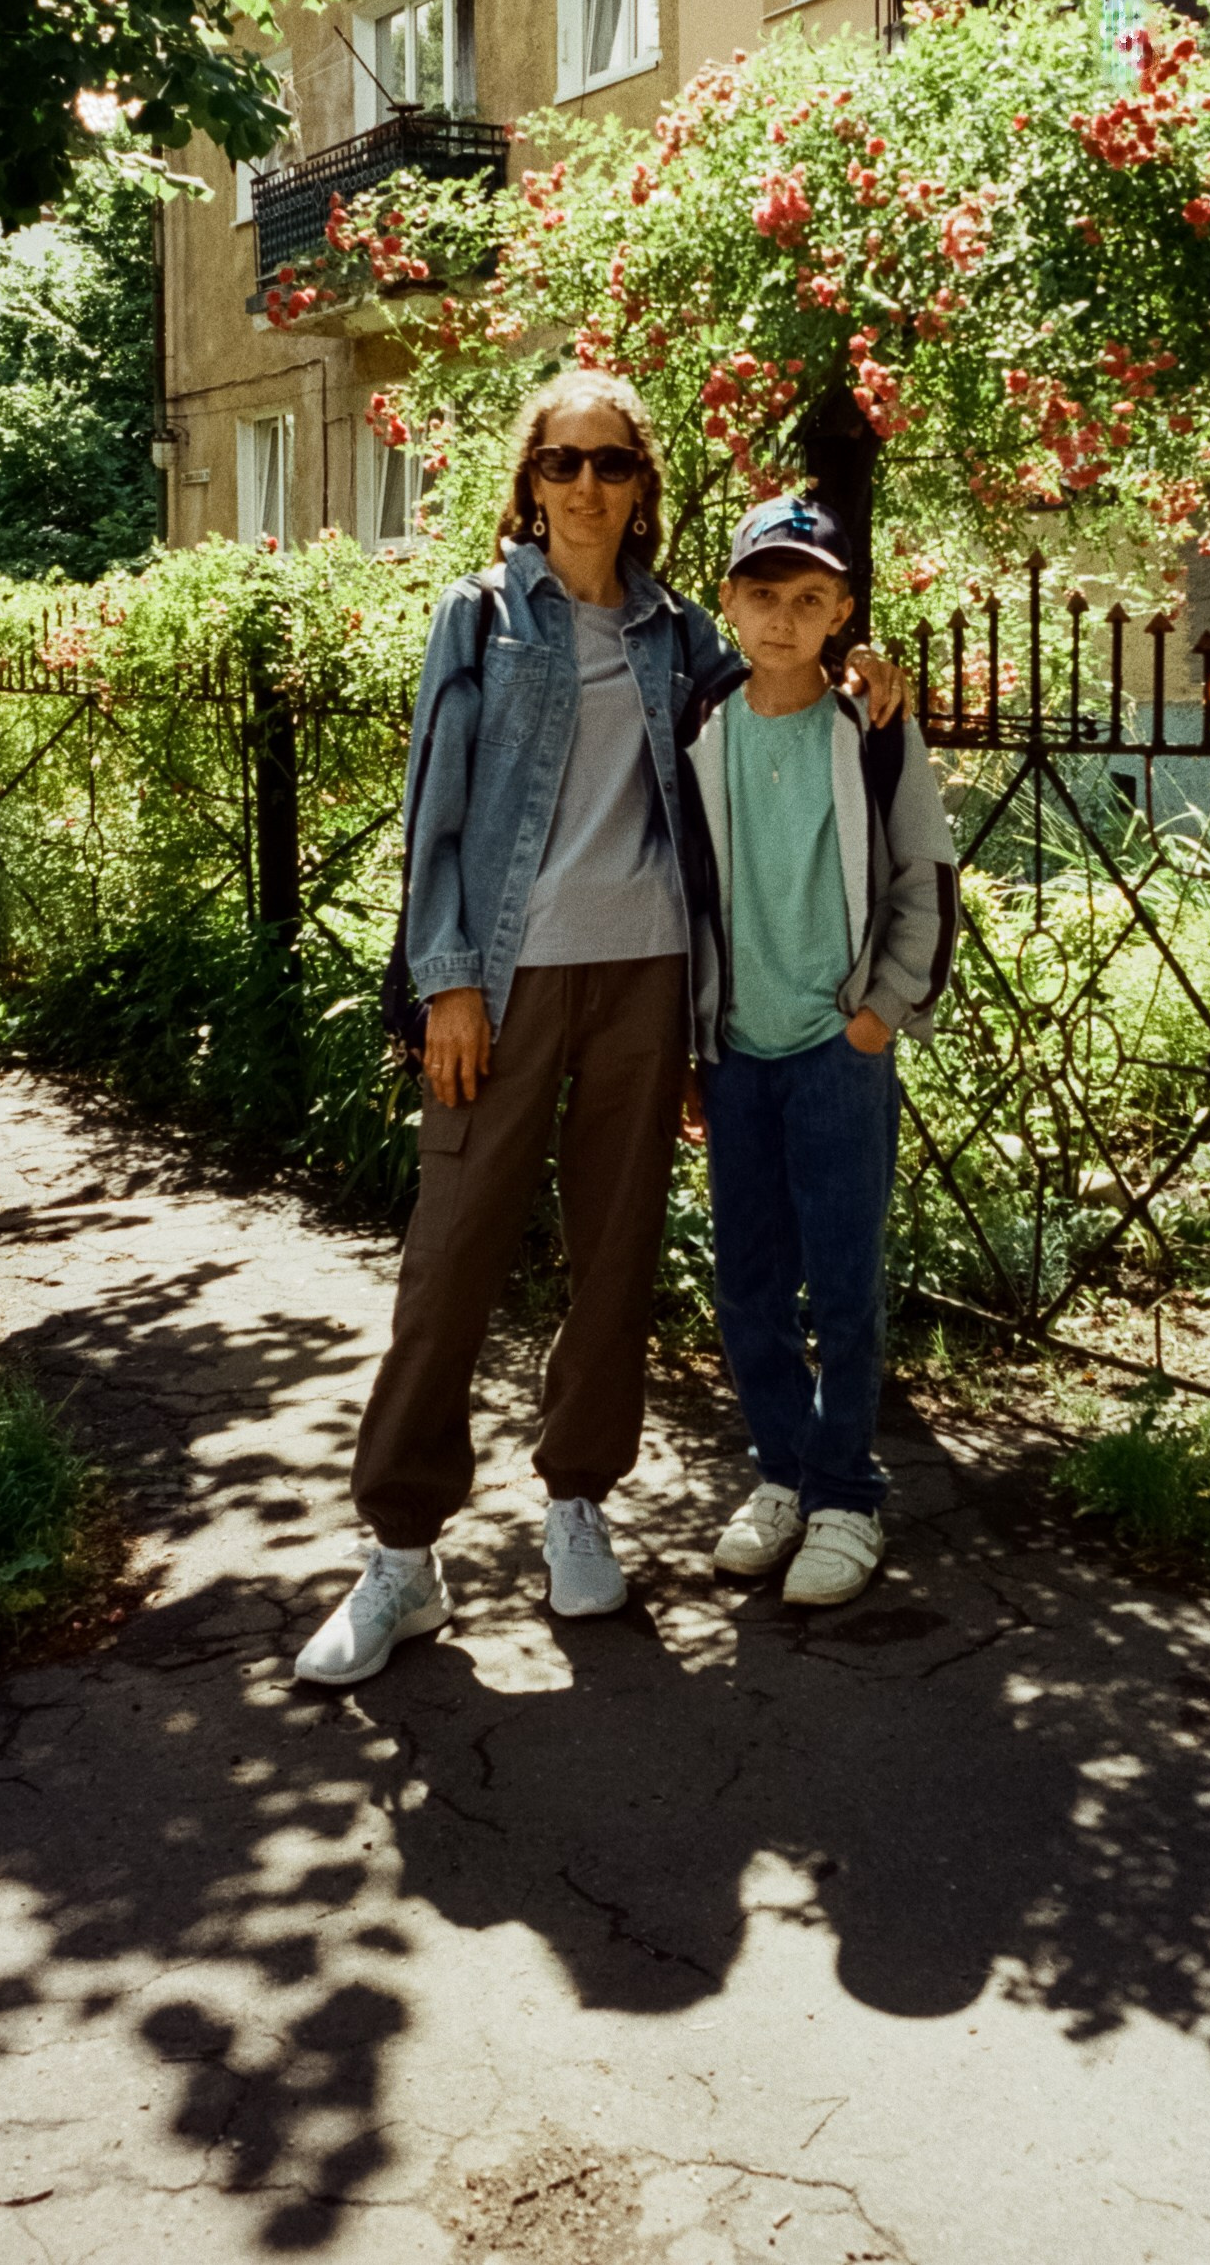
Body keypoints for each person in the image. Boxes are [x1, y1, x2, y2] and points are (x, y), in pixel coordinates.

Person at [295, 375, 907, 1687]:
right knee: (450, 1254)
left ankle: (578, 1499)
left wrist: (856, 661)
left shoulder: (678, 632)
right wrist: (446, 977)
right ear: (529, 483)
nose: (585, 486)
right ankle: (403, 1551)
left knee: (615, 1256)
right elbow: (435, 814)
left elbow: (775, 681)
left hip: (645, 981)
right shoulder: (477, 619)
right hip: (504, 983)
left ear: (641, 488)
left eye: (611, 464)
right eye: (563, 463)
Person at [682, 494, 957, 1609]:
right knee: (745, 1282)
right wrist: (684, 1037)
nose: (783, 617)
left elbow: (923, 881)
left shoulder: (873, 728)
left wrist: (879, 1014)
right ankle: (783, 1474)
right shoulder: (699, 719)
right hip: (735, 1052)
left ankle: (846, 1492)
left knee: (842, 1282)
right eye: (763, 594)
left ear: (843, 610)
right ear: (729, 605)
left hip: (837, 1050)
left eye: (809, 598)